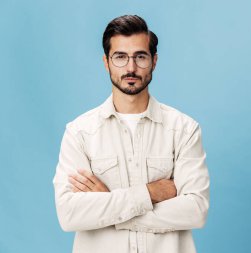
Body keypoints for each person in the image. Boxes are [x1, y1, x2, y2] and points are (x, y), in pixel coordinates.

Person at [53, 15, 210, 253]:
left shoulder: (184, 129)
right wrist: (150, 193)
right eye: (120, 57)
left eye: (140, 57)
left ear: (154, 61)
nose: (131, 68)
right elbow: (69, 214)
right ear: (106, 62)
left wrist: (110, 205)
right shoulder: (80, 132)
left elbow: (196, 210)